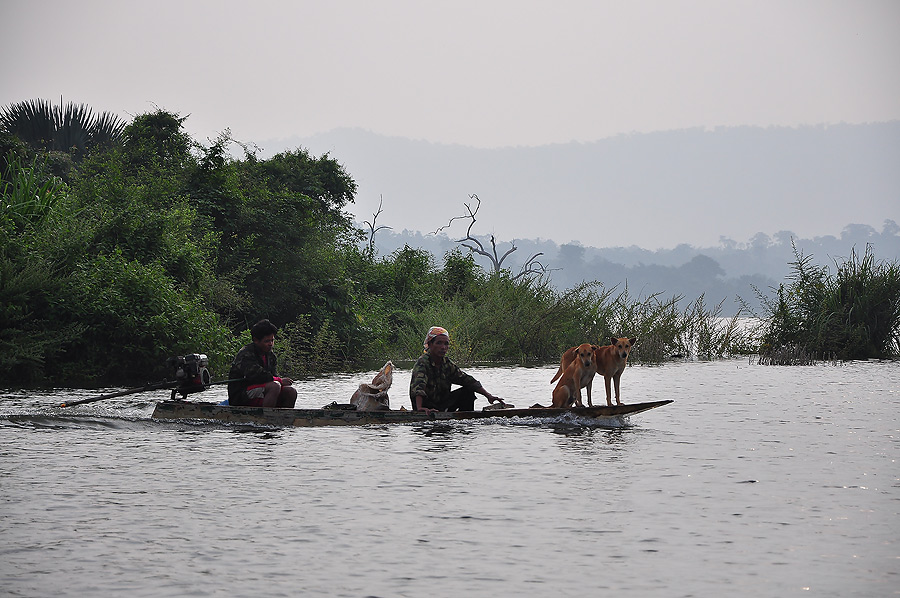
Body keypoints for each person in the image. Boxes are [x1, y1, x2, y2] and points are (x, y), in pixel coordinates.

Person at [409, 326, 502, 413]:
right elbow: (418, 387)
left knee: (468, 391)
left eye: (446, 344)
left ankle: (466, 421)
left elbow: (467, 380)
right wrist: (420, 408)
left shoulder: (446, 363)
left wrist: (488, 396)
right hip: (426, 406)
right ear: (430, 344)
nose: (443, 347)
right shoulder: (423, 363)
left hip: (441, 404)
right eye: (439, 343)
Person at [227, 319, 297, 408]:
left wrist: (280, 381)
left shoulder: (271, 356)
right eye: (267, 341)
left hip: (261, 390)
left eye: (272, 340)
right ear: (256, 340)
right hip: (241, 395)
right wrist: (279, 380)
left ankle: (285, 419)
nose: (270, 344)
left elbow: (273, 375)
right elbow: (257, 376)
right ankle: (265, 418)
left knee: (290, 391)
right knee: (275, 386)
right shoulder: (245, 354)